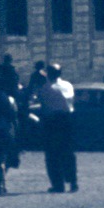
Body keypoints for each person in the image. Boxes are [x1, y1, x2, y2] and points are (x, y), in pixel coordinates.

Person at [38, 63, 78, 193]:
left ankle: (58, 184)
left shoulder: (45, 88)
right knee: (68, 153)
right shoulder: (68, 85)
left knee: (52, 155)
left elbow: (44, 106)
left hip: (52, 121)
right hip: (68, 120)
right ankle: (73, 181)